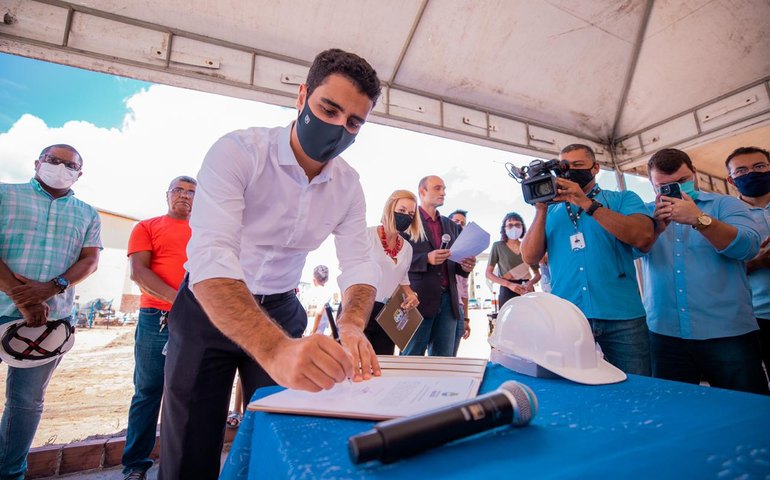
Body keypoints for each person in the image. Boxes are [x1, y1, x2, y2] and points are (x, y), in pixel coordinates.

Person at [159, 48, 383, 479]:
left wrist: (353, 325)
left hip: (281, 309)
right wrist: (277, 349)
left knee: (274, 435)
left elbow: (358, 263)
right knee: (188, 443)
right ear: (301, 97)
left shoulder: (349, 187)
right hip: (208, 308)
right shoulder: (238, 152)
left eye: (354, 122)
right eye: (329, 109)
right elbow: (210, 257)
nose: (339, 128)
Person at [0, 144, 101, 480]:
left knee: (26, 403)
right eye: (53, 160)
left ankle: (10, 472)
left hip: (48, 323)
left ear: (79, 173)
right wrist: (20, 295)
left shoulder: (88, 213)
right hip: (6, 309)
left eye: (70, 164)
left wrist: (52, 287)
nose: (61, 167)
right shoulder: (5, 194)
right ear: (37, 163)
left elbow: (90, 260)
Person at [637, 148, 767, 394]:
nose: (675, 189)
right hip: (665, 334)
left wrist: (700, 220)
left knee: (747, 409)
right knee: (676, 412)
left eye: (682, 182)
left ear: (694, 173)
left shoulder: (724, 204)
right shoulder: (645, 214)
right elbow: (628, 253)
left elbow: (749, 247)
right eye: (663, 186)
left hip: (727, 332)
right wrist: (654, 230)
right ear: (653, 184)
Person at [521, 144, 654, 375]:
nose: (570, 171)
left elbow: (642, 237)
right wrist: (540, 210)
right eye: (564, 167)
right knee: (572, 385)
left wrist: (586, 203)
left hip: (621, 316)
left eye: (578, 165)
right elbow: (530, 256)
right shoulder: (551, 212)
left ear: (596, 168)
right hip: (568, 317)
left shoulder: (623, 199)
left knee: (636, 387)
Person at [122, 176, 196, 480]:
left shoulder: (208, 232)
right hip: (157, 318)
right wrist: (181, 301)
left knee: (189, 393)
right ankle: (135, 466)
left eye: (192, 192)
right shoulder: (146, 227)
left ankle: (182, 466)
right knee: (148, 391)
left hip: (198, 321)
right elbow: (139, 272)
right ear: (167, 195)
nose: (184, 196)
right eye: (178, 190)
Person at [402, 176, 476, 357]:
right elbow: (396, 259)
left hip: (448, 302)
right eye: (437, 188)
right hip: (417, 300)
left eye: (444, 188)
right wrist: (425, 258)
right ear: (422, 192)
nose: (443, 193)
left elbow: (456, 265)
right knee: (412, 358)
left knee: (444, 360)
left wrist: (466, 267)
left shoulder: (451, 226)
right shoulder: (408, 221)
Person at [725, 146, 770, 380]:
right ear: (730, 180)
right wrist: (757, 262)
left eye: (759, 167)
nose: (751, 173)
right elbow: (716, 271)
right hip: (752, 316)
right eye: (741, 171)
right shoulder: (726, 216)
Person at [363, 190, 421, 354]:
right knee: (357, 368)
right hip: (360, 308)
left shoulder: (407, 248)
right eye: (401, 211)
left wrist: (412, 296)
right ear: (390, 208)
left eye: (410, 214)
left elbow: (403, 282)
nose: (406, 216)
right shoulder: (366, 235)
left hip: (387, 315)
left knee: (383, 367)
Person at [486, 212, 541, 309]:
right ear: (504, 228)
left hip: (526, 289)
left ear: (522, 227)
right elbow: (488, 274)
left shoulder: (528, 246)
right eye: (510, 225)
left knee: (530, 320)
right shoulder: (498, 246)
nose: (514, 228)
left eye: (517, 225)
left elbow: (537, 275)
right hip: (507, 289)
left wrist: (530, 283)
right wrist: (509, 284)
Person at [448, 209, 471, 354]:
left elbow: (464, 290)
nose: (459, 225)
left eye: (462, 223)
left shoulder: (466, 253)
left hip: (459, 308)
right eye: (456, 221)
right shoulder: (442, 247)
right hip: (446, 306)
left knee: (452, 354)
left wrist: (466, 319)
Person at [307, 265, 332, 336]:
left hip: (308, 334)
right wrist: (314, 331)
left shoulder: (308, 293)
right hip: (319, 335)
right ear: (327, 279)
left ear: (314, 279)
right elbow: (320, 313)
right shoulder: (327, 293)